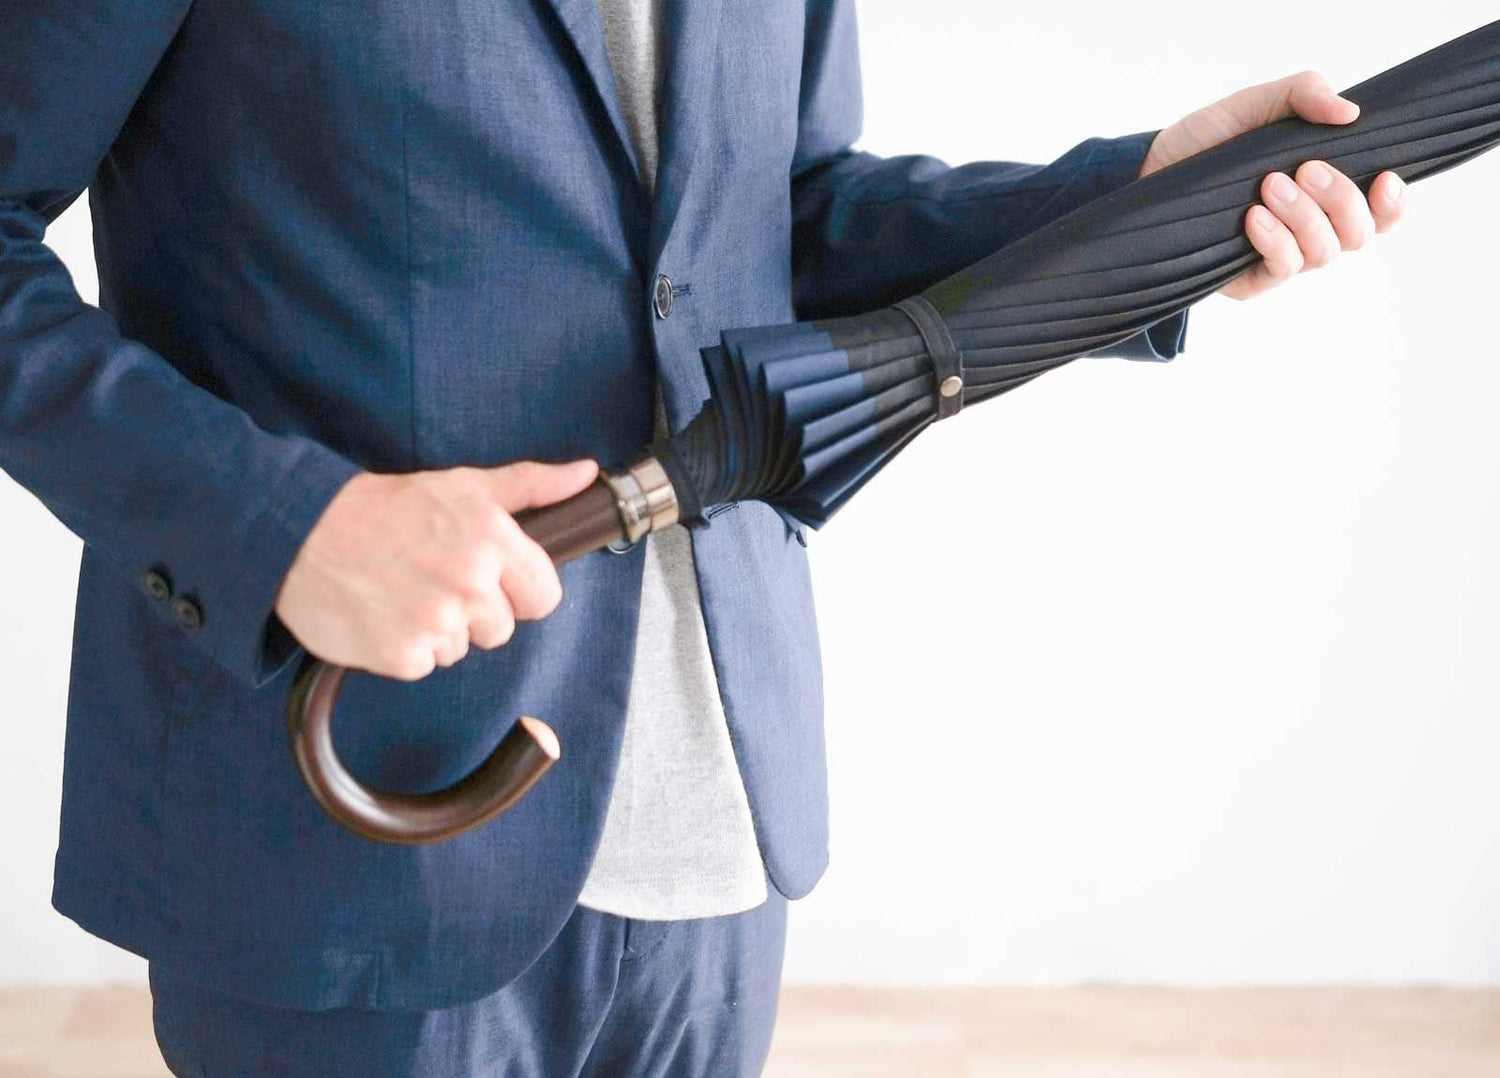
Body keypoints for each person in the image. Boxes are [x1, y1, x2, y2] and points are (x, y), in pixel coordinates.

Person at [0, 1, 1405, 1074]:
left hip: (717, 822)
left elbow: (784, 225)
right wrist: (287, 526)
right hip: (349, 820)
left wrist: (1142, 205)